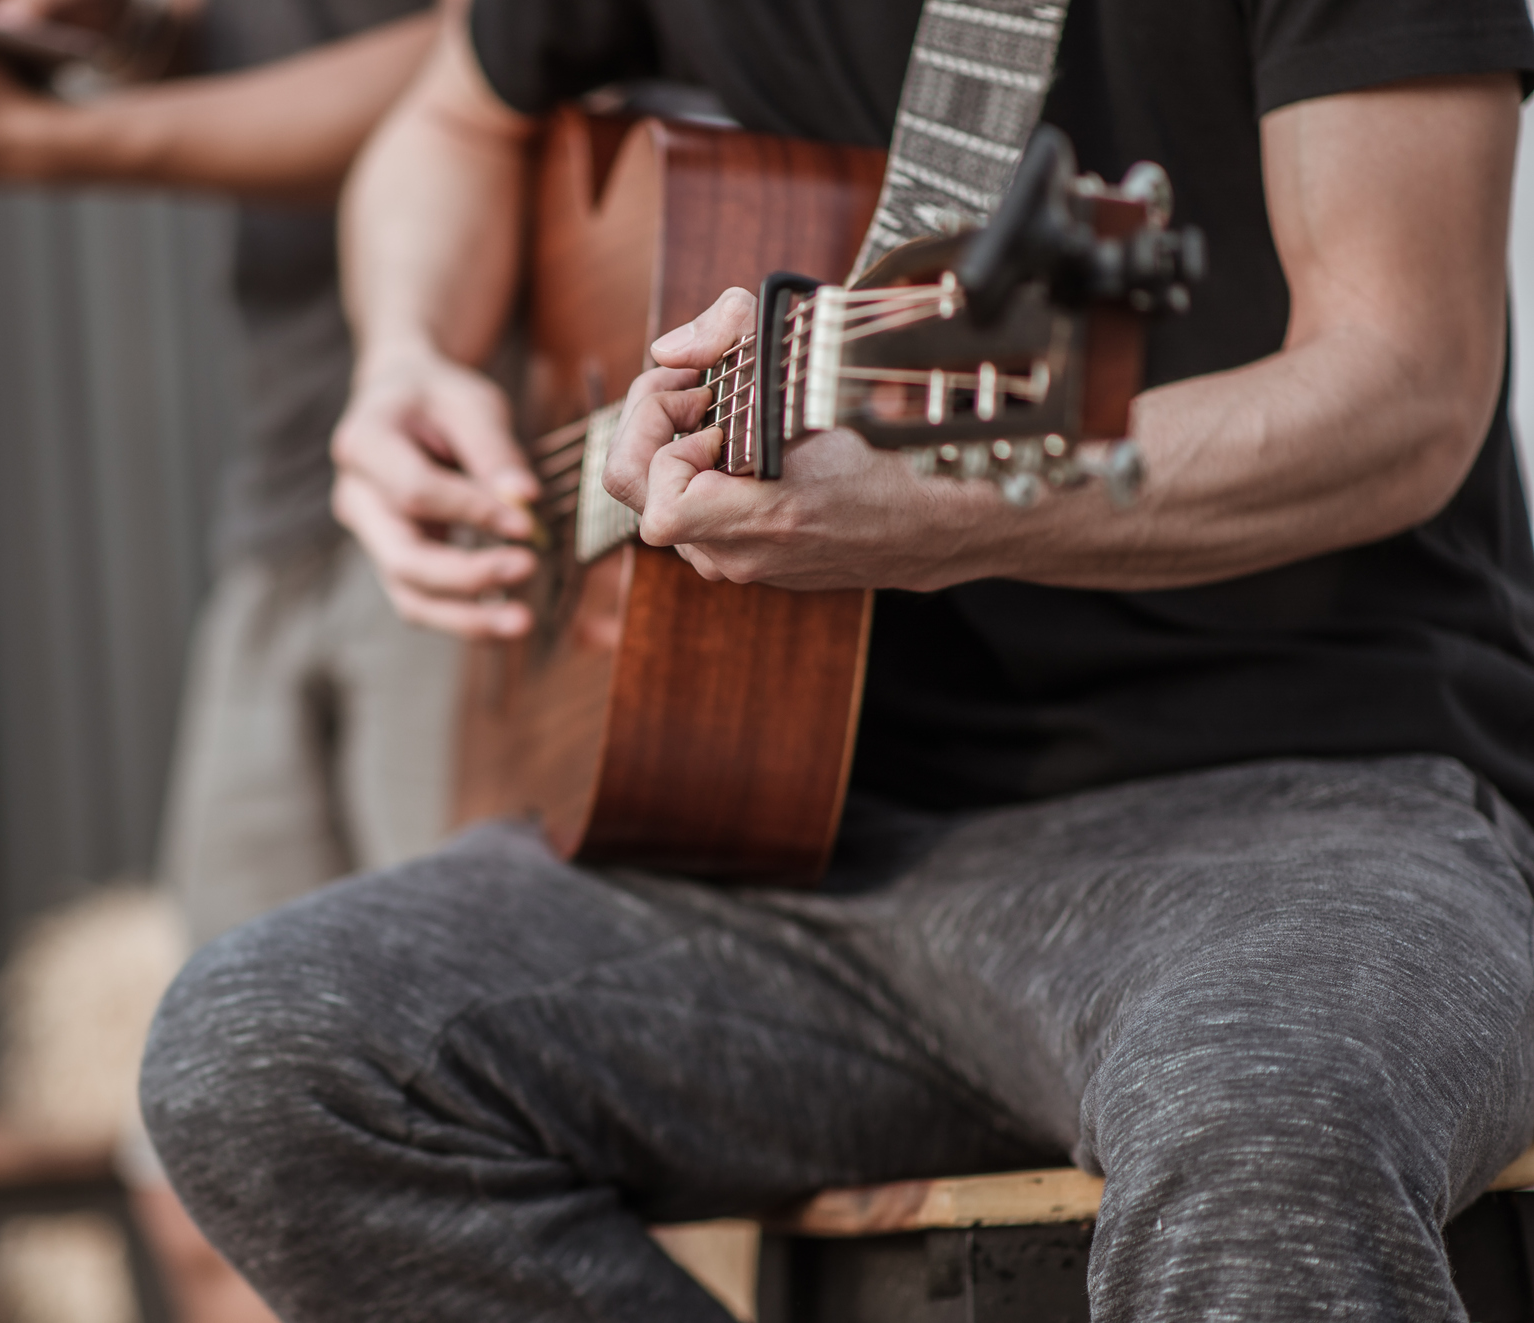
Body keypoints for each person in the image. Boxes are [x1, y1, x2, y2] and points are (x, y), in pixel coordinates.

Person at [138, 0, 1534, 1317]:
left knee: (1268, 1111)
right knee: (271, 1052)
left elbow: (1403, 390)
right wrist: (404, 361)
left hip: (1307, 809)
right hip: (790, 844)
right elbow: (444, 120)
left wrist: (956, 512)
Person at [0, 5, 442, 1319]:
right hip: (284, 495)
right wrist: (105, 33)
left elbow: (490, 59)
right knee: (204, 1203)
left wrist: (27, 142)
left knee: (460, 1147)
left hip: (485, 459)